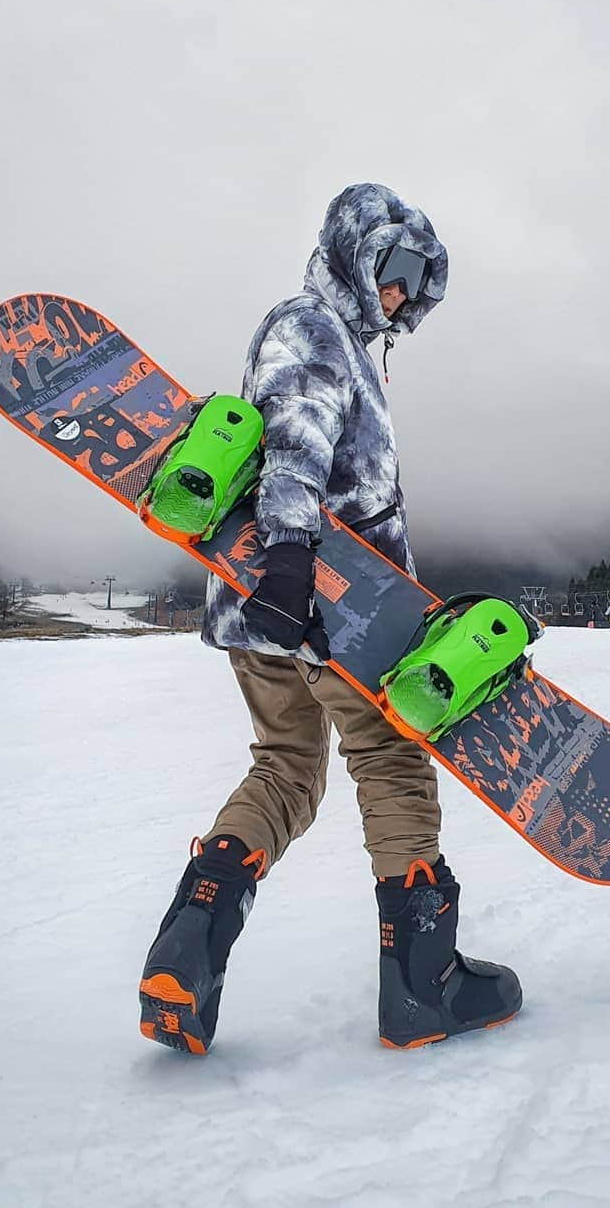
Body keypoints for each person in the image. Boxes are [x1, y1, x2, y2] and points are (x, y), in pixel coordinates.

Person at [138, 183, 522, 1055]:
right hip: (324, 604)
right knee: (391, 761)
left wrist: (276, 577)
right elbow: (296, 442)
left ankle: (184, 957)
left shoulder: (335, 337)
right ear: (355, 253)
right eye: (393, 267)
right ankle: (424, 988)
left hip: (267, 607)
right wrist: (289, 562)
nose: (401, 290)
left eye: (419, 278)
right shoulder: (312, 331)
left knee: (286, 771)